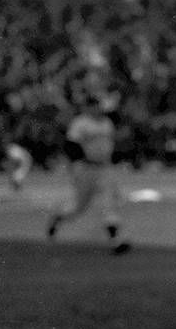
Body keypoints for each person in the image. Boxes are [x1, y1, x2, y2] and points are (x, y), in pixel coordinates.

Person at [46, 96, 130, 254]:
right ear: (88, 107)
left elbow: (110, 146)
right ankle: (57, 218)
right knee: (77, 207)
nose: (97, 109)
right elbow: (70, 146)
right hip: (85, 169)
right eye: (93, 106)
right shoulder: (81, 123)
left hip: (103, 169)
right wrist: (77, 165)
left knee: (109, 203)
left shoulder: (106, 123)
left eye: (98, 105)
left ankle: (115, 240)